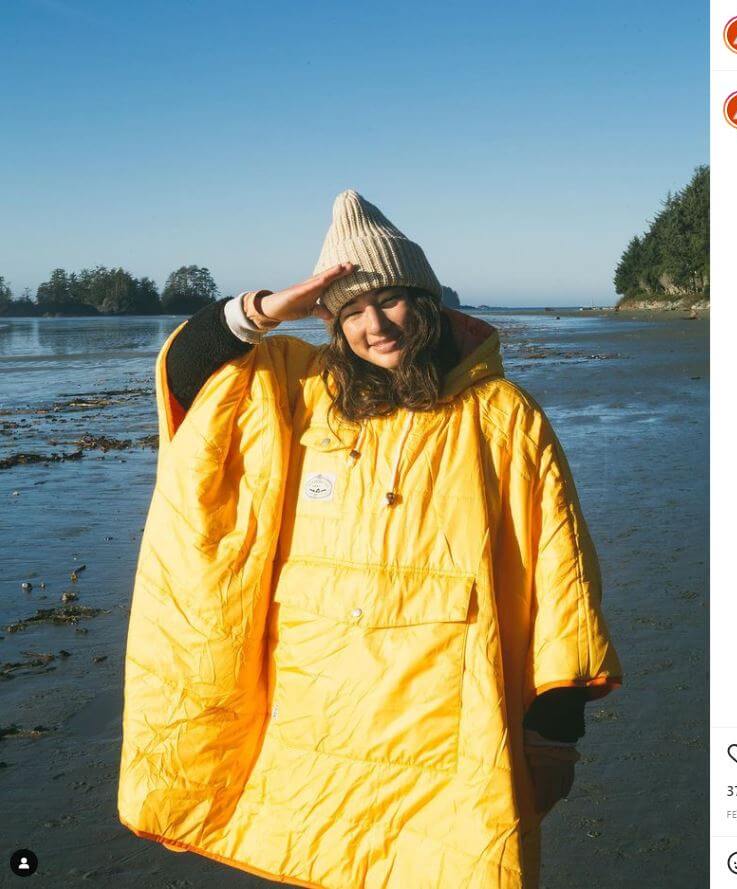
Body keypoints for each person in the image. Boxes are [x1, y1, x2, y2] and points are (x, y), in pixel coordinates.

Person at [118, 190, 623, 888]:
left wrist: (555, 728)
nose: (373, 325)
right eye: (349, 310)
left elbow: (557, 569)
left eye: (387, 300)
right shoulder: (304, 393)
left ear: (425, 301)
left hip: (445, 719)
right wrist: (266, 310)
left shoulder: (500, 415)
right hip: (316, 707)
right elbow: (190, 379)